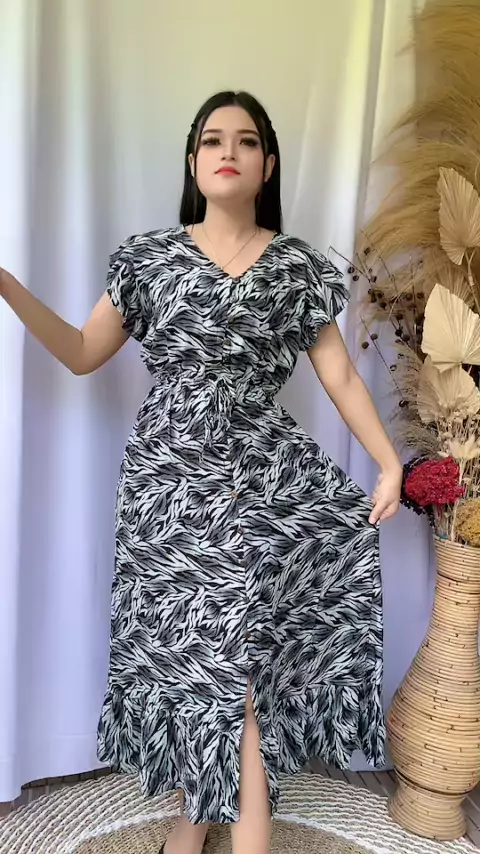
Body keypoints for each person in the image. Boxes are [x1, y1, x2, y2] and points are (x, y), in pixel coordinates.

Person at [0, 90, 402, 854]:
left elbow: (342, 377)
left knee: (242, 667)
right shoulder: (147, 260)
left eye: (246, 141)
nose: (229, 152)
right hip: (171, 488)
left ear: (267, 165)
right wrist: (7, 285)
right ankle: (194, 819)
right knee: (198, 661)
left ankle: (230, 835)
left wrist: (388, 465)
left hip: (263, 481)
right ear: (193, 161)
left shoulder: (297, 266)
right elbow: (83, 353)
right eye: (214, 139)